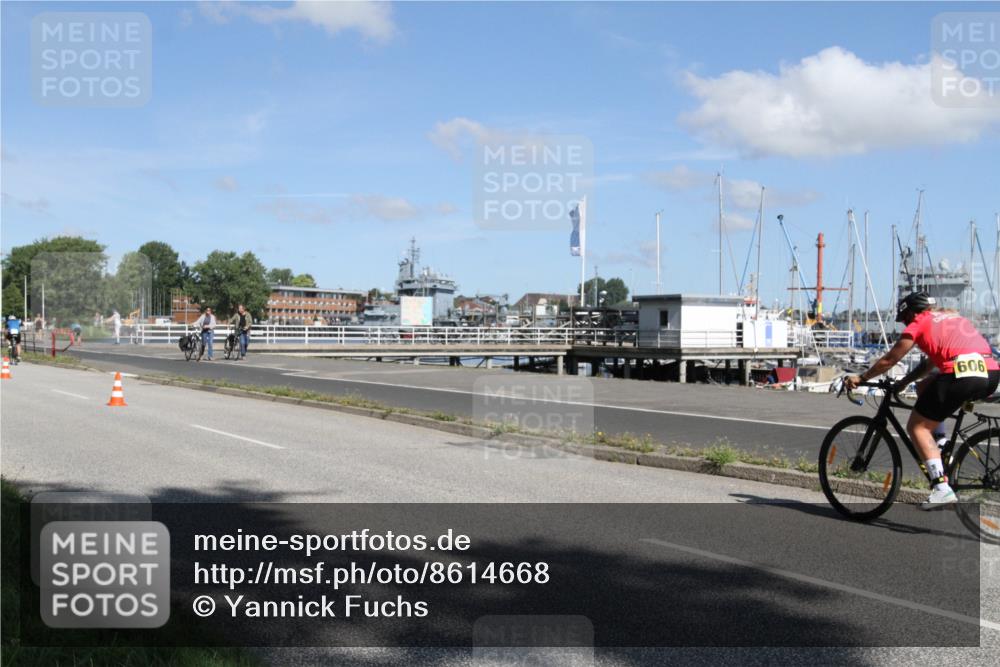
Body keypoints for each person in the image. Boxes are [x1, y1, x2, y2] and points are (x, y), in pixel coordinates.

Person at [845, 292, 1000, 508]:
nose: (905, 324)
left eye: (905, 318)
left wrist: (861, 378)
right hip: (991, 374)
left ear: (911, 312)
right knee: (924, 386)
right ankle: (941, 442)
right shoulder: (952, 318)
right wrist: (903, 383)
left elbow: (890, 359)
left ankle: (941, 487)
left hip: (960, 375)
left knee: (917, 427)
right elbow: (928, 366)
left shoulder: (918, 324)